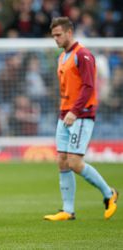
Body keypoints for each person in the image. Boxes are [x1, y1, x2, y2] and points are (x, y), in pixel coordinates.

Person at [44, 17, 119, 221]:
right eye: (53, 36)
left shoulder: (83, 55)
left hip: (81, 115)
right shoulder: (62, 57)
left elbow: (88, 87)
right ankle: (68, 210)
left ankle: (109, 193)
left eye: (59, 34)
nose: (56, 39)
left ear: (70, 32)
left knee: (75, 162)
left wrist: (75, 111)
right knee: (62, 161)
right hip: (65, 114)